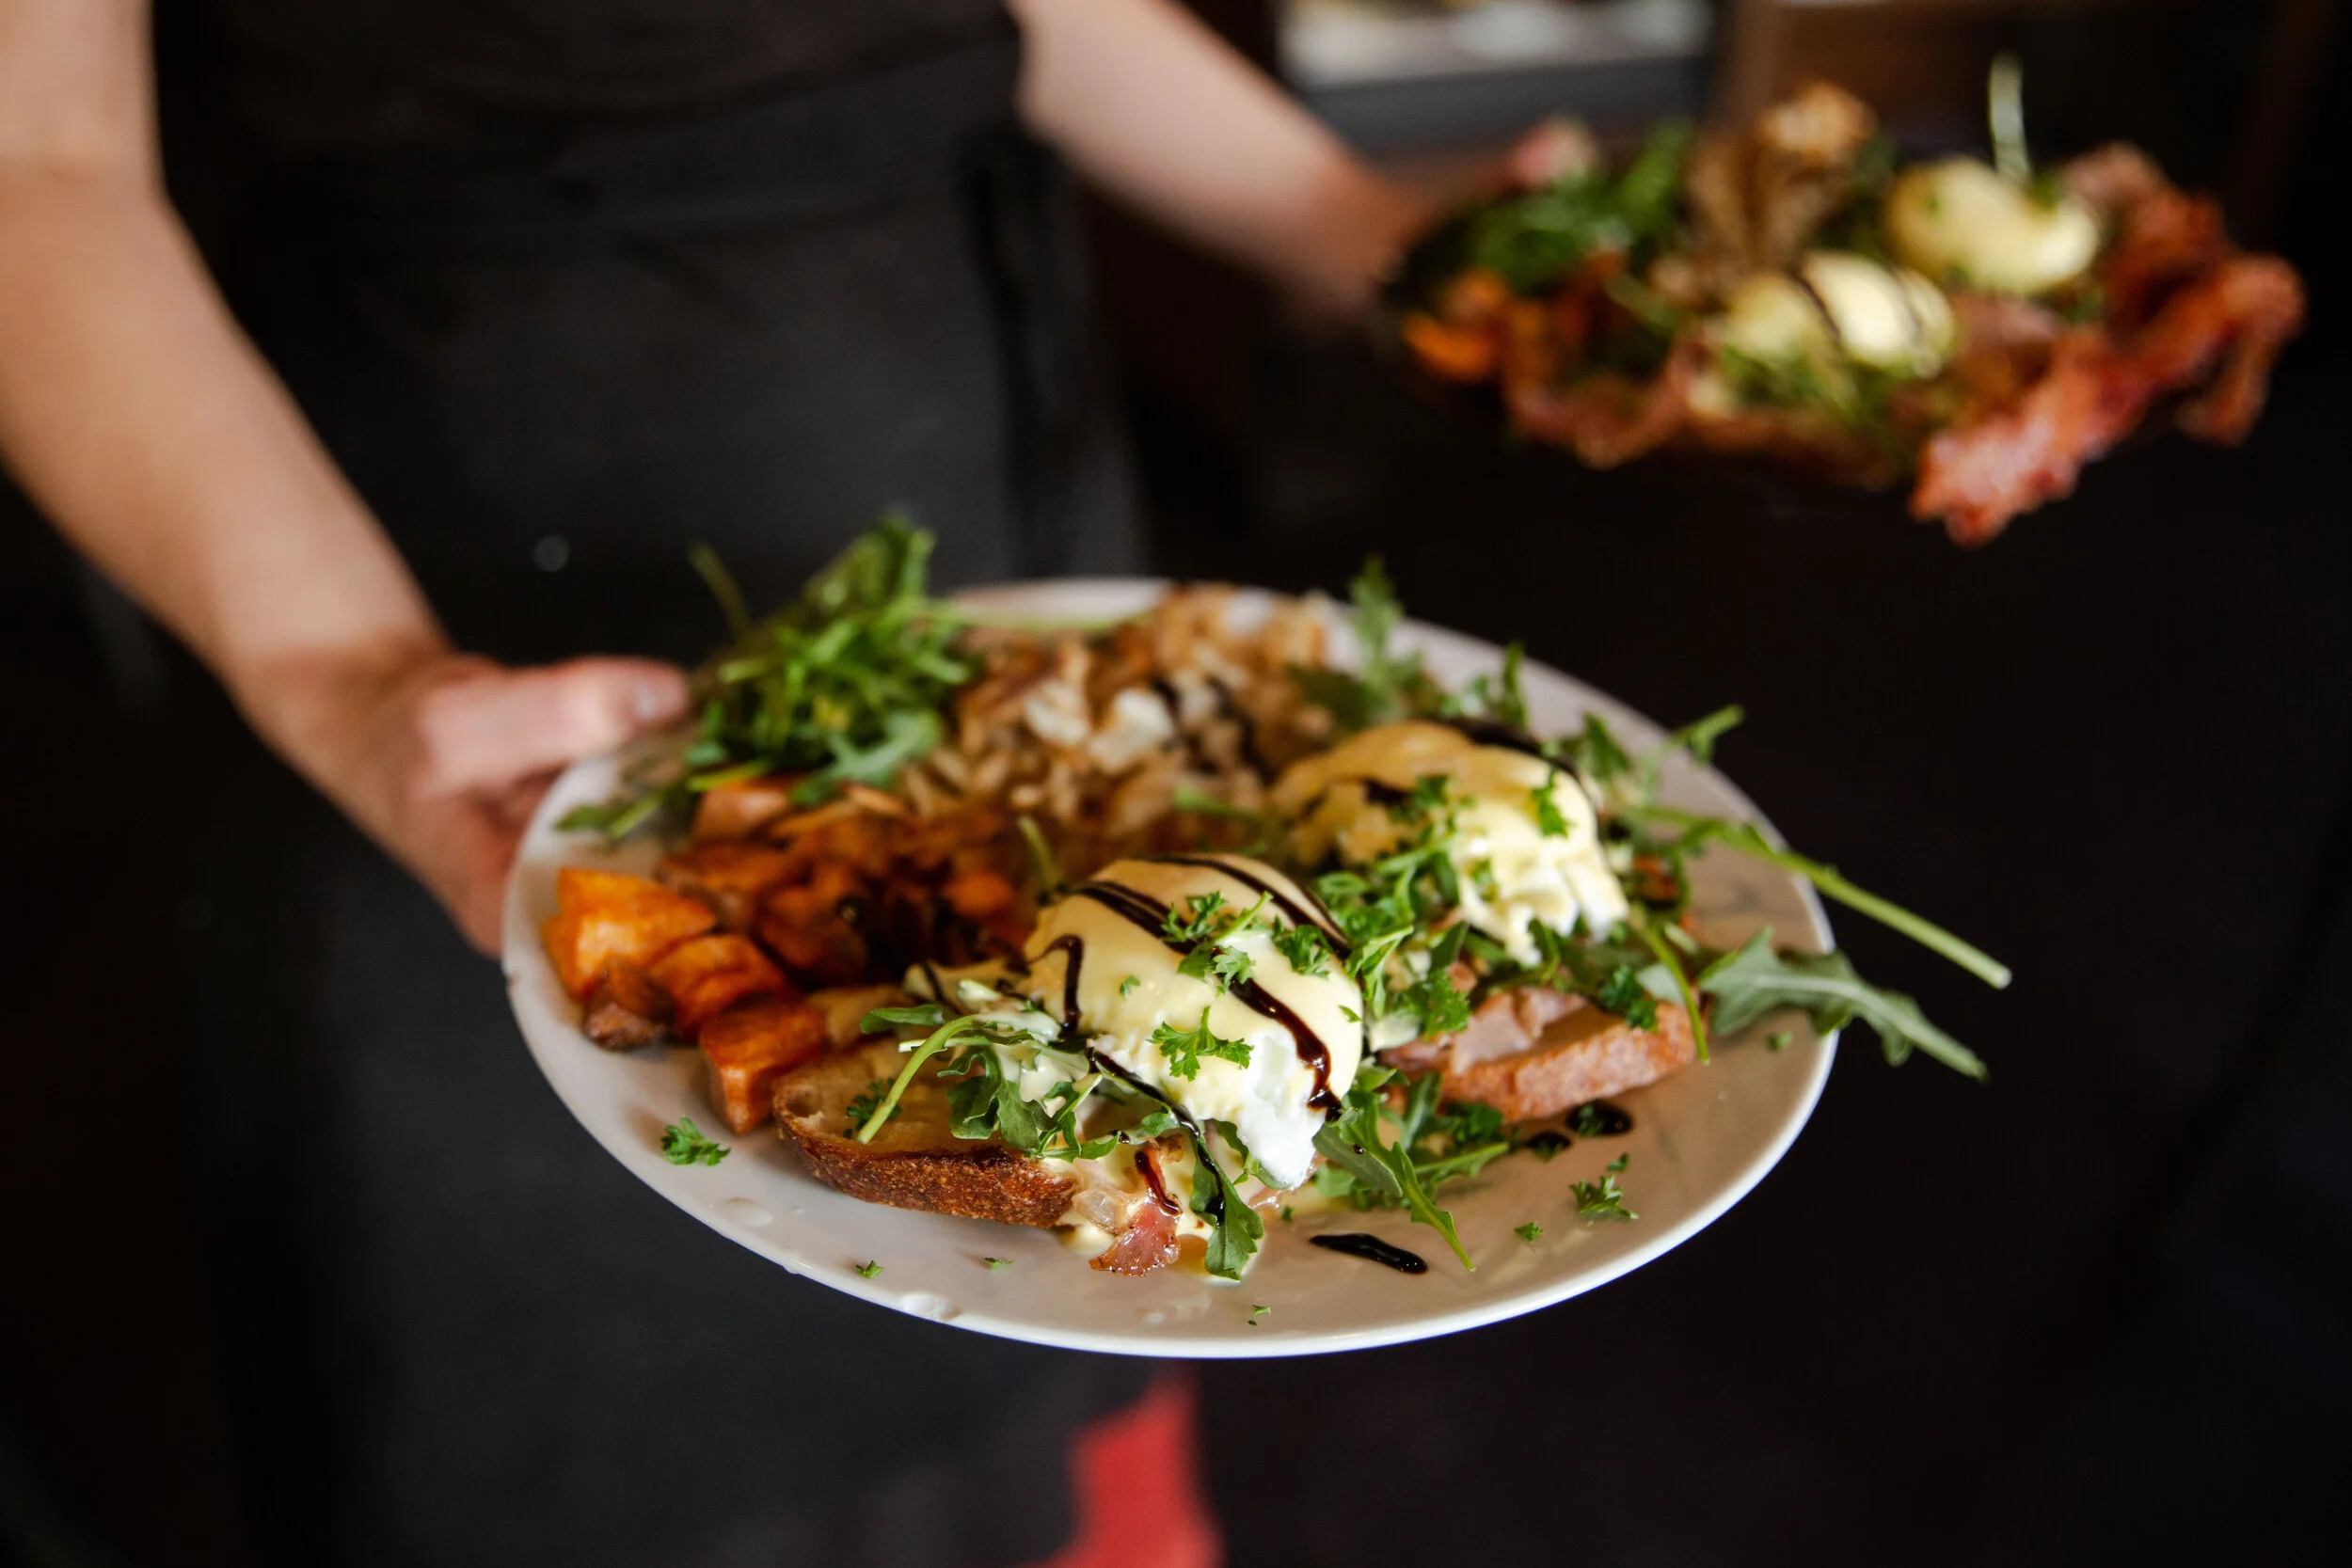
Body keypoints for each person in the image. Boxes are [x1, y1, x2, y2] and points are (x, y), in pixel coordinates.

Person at [0, 2, 1424, 1563]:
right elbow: (36, 165)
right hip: (428, 613)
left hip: (980, 482)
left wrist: (1356, 224)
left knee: (1046, 1295)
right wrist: (345, 678)